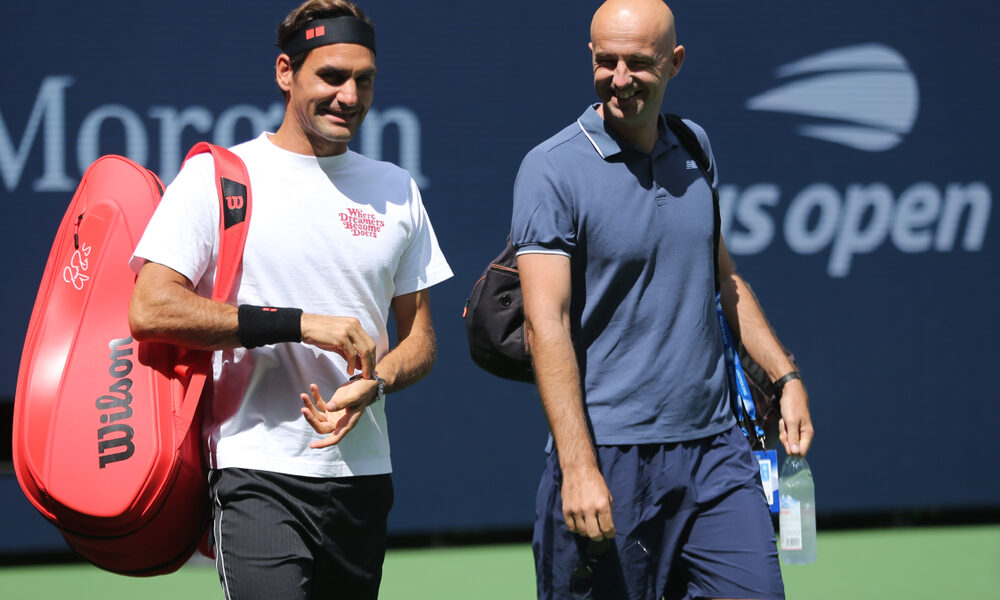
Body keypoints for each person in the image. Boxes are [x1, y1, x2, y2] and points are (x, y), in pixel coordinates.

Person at [128, 1, 453, 598]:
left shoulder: (396, 189)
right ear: (286, 72)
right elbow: (150, 307)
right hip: (256, 474)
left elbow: (422, 340)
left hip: (363, 478)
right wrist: (300, 324)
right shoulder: (218, 177)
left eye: (364, 80)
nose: (349, 96)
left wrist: (376, 381)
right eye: (332, 76)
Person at [511, 1, 814, 599]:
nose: (619, 79)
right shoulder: (549, 170)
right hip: (610, 457)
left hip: (717, 451)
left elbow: (723, 279)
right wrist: (578, 468)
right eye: (606, 61)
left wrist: (785, 377)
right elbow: (545, 323)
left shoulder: (695, 147)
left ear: (674, 63)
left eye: (639, 64)